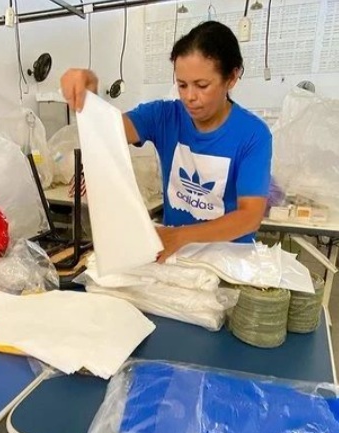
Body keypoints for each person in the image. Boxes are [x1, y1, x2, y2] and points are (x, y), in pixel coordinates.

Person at [60, 21, 272, 262]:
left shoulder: (252, 134)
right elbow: (106, 132)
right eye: (182, 85)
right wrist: (89, 99)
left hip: (229, 260)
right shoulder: (163, 116)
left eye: (202, 85)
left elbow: (249, 217)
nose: (190, 96)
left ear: (232, 78)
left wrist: (180, 235)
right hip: (175, 258)